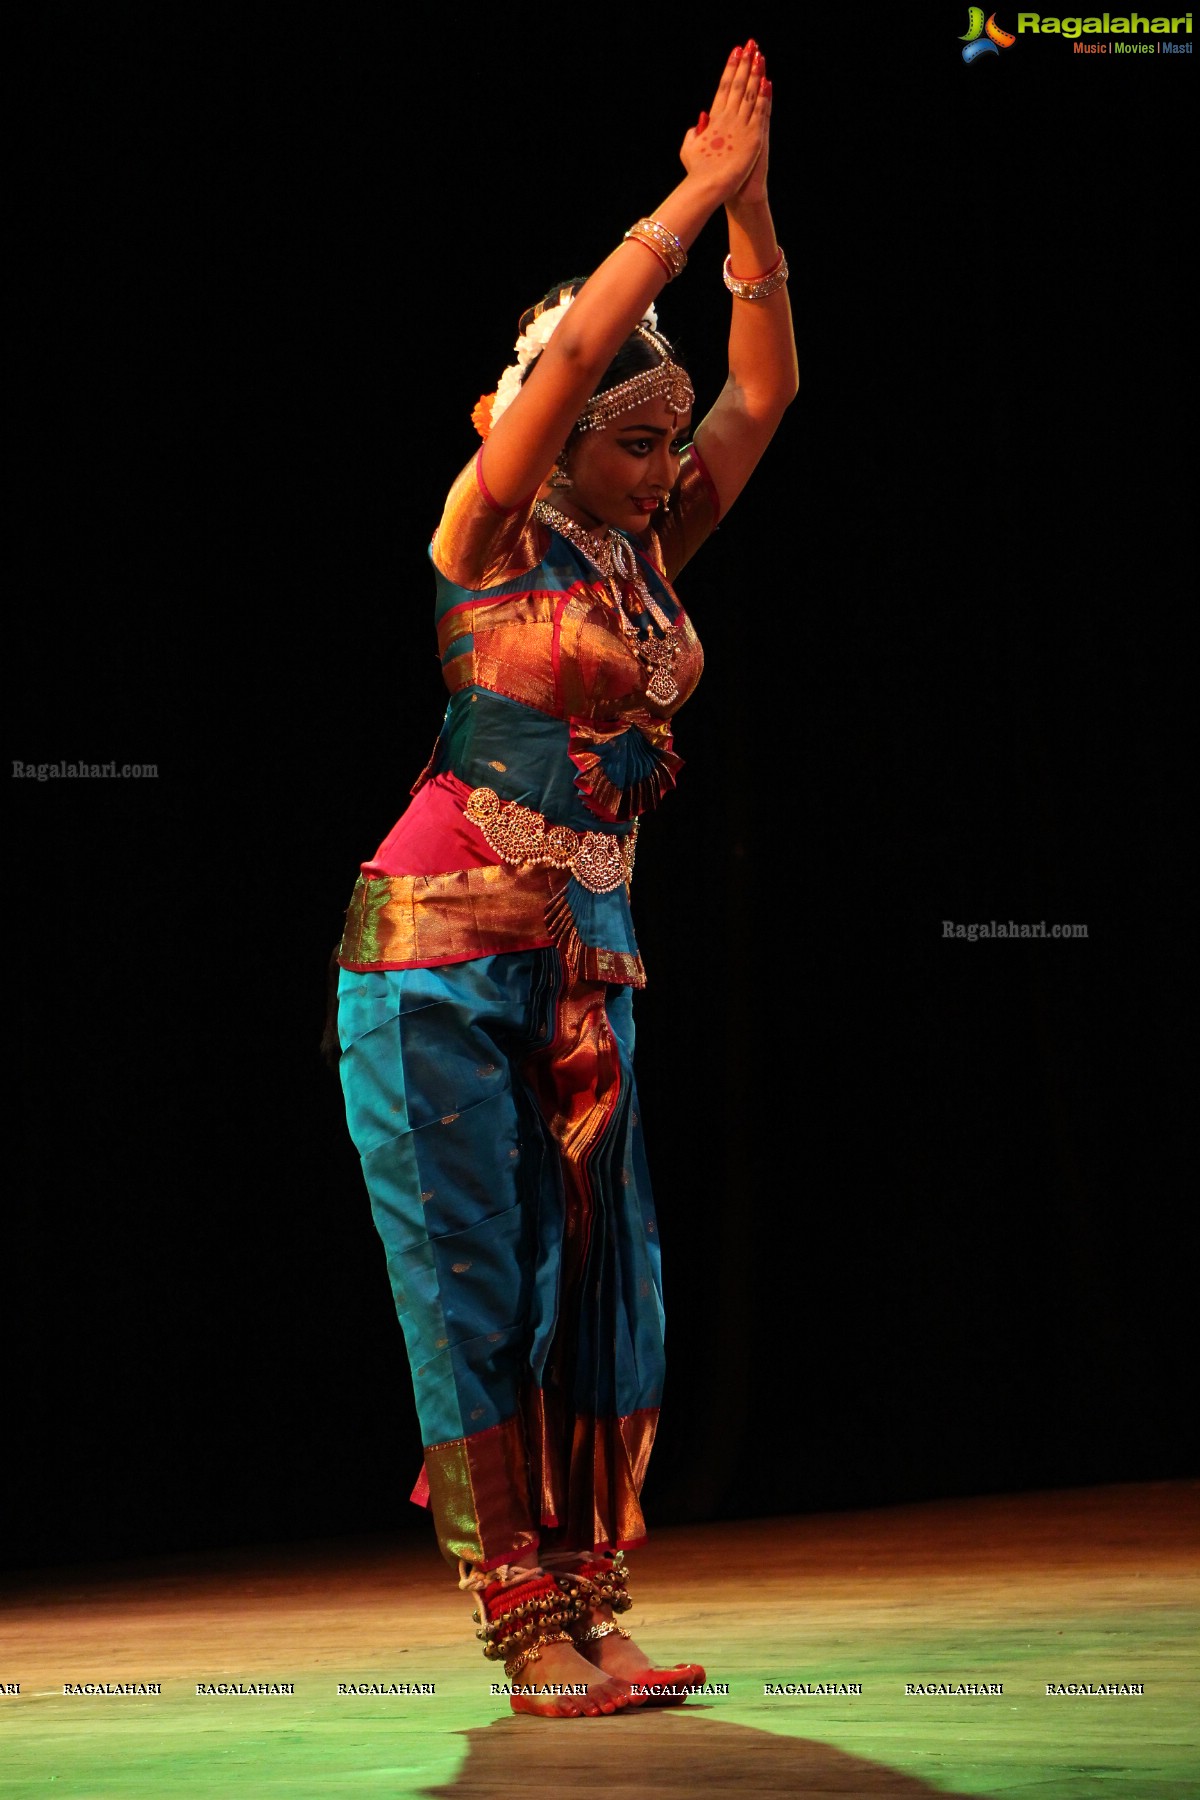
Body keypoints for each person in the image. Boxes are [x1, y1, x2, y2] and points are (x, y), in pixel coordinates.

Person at [333, 39, 797, 1719]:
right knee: (474, 1277)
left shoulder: (643, 553)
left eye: (666, 447)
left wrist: (753, 223)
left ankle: (595, 1606)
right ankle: (522, 1633)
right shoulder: (487, 527)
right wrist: (684, 196)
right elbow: (589, 341)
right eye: (631, 440)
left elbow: (765, 397)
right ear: (559, 433)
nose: (667, 463)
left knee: (603, 1284)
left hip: (588, 948)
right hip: (438, 954)